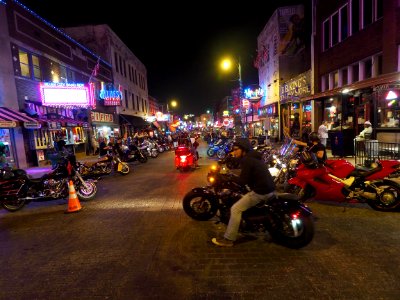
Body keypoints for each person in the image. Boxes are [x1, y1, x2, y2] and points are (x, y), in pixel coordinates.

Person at [211, 138, 277, 247]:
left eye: (236, 149)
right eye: (233, 150)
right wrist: (229, 160)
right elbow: (239, 163)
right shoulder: (252, 157)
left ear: (244, 150)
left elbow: (242, 181)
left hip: (261, 191)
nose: (234, 152)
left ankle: (228, 239)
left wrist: (229, 177)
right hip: (269, 189)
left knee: (235, 209)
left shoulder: (248, 160)